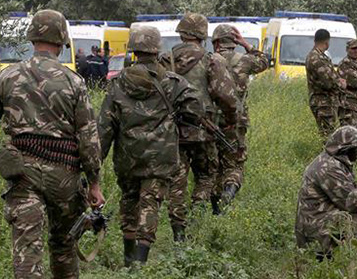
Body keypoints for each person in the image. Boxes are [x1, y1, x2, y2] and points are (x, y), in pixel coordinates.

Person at [0, 9, 105, 279]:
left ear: (32, 38)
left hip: (22, 175)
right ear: (62, 41)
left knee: (27, 245)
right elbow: (89, 139)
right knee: (64, 243)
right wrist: (94, 182)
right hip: (65, 177)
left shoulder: (8, 76)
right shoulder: (74, 82)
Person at [98, 25, 204, 266]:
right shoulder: (172, 82)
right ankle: (140, 261)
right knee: (150, 204)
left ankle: (128, 260)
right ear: (157, 49)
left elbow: (105, 126)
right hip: (160, 157)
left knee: (129, 201)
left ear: (133, 50)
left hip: (128, 156)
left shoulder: (117, 84)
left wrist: (95, 163)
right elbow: (196, 109)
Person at [161, 13, 239, 240]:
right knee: (206, 176)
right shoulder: (212, 60)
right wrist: (230, 120)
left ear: (181, 33)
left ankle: (178, 232)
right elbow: (226, 96)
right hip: (204, 132)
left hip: (173, 132)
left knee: (177, 181)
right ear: (203, 35)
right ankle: (197, 216)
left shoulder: (165, 60)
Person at [210, 24, 269, 207]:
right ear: (234, 42)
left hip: (211, 122)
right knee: (235, 164)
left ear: (216, 42)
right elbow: (265, 61)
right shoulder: (244, 61)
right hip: (236, 122)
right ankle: (229, 191)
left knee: (214, 165)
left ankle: (214, 206)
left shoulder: (209, 61)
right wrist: (247, 44)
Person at [295, 126, 357, 256]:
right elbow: (351, 203)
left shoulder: (332, 161)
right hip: (318, 231)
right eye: (356, 148)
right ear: (345, 149)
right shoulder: (329, 168)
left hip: (319, 223)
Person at [305, 29, 346, 137]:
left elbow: (329, 75)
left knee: (328, 134)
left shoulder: (319, 56)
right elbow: (328, 82)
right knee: (328, 136)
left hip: (325, 102)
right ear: (327, 42)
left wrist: (336, 79)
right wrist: (340, 83)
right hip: (323, 102)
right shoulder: (316, 58)